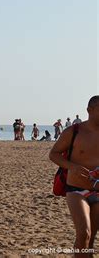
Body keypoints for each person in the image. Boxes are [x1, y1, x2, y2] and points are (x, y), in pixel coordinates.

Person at [49, 95, 99, 254]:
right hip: (76, 190)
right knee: (84, 233)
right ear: (89, 110)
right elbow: (54, 154)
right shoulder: (74, 131)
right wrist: (73, 167)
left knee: (90, 240)